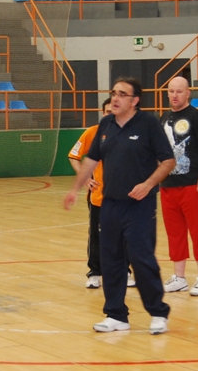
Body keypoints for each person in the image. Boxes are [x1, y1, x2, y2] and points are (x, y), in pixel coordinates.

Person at [64, 77, 175, 335]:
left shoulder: (148, 124)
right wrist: (75, 189)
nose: (115, 98)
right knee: (111, 259)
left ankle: (158, 312)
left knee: (140, 257)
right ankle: (116, 315)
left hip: (140, 205)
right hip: (110, 203)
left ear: (135, 100)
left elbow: (168, 161)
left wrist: (148, 184)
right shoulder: (106, 124)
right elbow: (91, 160)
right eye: (114, 93)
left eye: (122, 94)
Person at [68, 99, 136, 289]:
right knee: (97, 236)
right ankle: (95, 272)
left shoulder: (128, 133)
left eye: (112, 111)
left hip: (123, 196)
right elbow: (73, 156)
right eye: (106, 112)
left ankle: (125, 271)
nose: (109, 115)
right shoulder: (92, 133)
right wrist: (86, 178)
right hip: (99, 196)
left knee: (123, 236)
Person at [159, 76, 198, 296]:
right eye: (171, 91)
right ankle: (179, 277)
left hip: (193, 184)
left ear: (188, 92)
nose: (174, 95)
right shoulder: (163, 118)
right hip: (168, 185)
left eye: (179, 91)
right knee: (175, 232)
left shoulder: (196, 117)